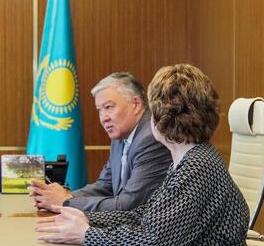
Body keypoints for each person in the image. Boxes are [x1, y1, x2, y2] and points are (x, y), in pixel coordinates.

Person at [35, 64, 260, 246]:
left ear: (161, 118)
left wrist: (87, 234)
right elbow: (146, 215)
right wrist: (87, 218)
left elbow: (154, 239)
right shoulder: (187, 159)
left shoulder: (197, 166)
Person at [29, 72, 170, 212]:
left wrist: (66, 202)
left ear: (136, 104)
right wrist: (58, 196)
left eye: (109, 107)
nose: (103, 118)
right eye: (99, 110)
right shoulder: (120, 137)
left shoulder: (151, 138)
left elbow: (128, 205)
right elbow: (105, 186)